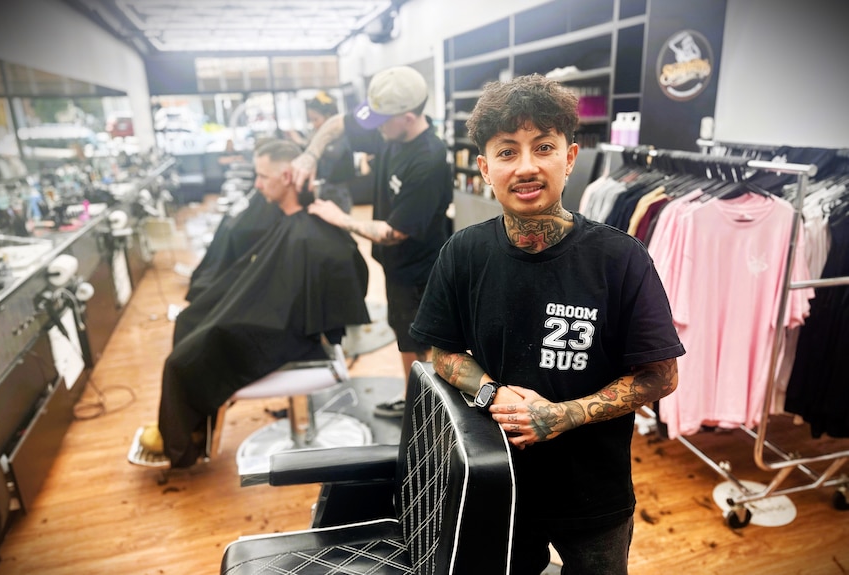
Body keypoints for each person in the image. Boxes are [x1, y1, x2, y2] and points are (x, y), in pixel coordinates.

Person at [408, 74, 685, 574]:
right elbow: (439, 352)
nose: (527, 167)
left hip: (593, 493)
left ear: (571, 157)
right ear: (484, 168)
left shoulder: (621, 259)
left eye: (543, 147)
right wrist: (492, 392)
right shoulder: (463, 253)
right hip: (494, 483)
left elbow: (661, 375)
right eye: (508, 152)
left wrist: (565, 415)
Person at [139, 139, 370, 467]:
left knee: (182, 361)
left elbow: (335, 290)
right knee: (190, 320)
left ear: (288, 176)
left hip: (293, 335)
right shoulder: (291, 222)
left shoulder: (313, 235)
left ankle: (179, 440)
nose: (258, 184)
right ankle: (189, 426)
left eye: (263, 176)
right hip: (274, 318)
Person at [291, 66, 453, 418]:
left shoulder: (428, 160)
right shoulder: (389, 129)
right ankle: (415, 395)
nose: (375, 128)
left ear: (408, 117)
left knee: (416, 339)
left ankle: (421, 408)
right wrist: (310, 154)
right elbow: (338, 124)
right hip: (397, 265)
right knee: (403, 332)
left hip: (418, 266)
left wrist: (342, 219)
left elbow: (395, 233)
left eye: (382, 121)